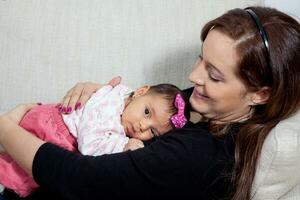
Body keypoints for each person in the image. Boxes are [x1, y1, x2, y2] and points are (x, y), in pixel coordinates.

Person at [0, 6, 299, 200]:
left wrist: (4, 126)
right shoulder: (203, 106)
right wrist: (104, 94)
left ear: (260, 94)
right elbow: (146, 102)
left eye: (214, 75)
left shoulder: (199, 154)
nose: (193, 75)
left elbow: (78, 178)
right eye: (201, 58)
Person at [0, 83, 190, 197]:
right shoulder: (108, 107)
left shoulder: (125, 103)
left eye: (153, 132)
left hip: (57, 133)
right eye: (147, 112)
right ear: (140, 91)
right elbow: (90, 145)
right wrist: (124, 145)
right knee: (24, 169)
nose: (142, 126)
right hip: (48, 129)